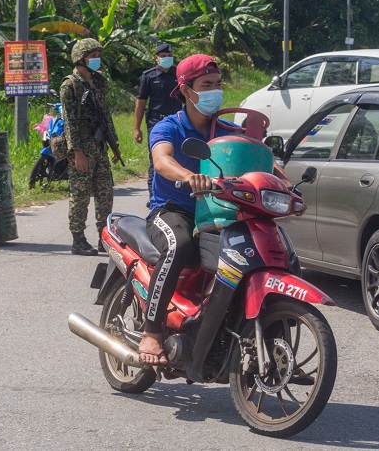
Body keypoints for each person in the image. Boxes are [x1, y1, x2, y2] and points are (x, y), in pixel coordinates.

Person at [137, 54, 290, 365]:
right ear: (185, 89)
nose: (214, 91)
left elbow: (261, 160)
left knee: (280, 253)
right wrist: (189, 176)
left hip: (220, 214)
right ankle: (152, 331)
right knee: (179, 247)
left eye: (218, 84)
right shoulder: (170, 126)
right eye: (206, 85)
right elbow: (162, 160)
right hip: (173, 210)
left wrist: (285, 183)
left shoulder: (227, 130)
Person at [60, 38, 122, 256]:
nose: (97, 60)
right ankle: (78, 239)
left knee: (105, 193)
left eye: (98, 55)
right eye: (92, 56)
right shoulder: (70, 85)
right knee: (80, 195)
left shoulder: (97, 82)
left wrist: (114, 145)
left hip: (99, 145)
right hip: (82, 148)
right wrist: (77, 152)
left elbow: (106, 116)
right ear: (80, 58)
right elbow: (69, 122)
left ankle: (104, 237)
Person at [133, 43, 184, 202]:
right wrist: (137, 128)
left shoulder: (179, 74)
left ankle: (176, 196)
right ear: (156, 58)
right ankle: (154, 196)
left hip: (177, 121)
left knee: (179, 158)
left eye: (169, 56)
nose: (167, 59)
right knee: (156, 159)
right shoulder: (148, 76)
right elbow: (140, 102)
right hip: (156, 122)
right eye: (163, 56)